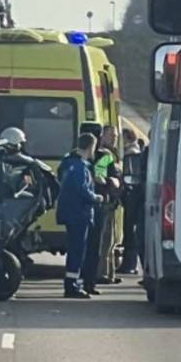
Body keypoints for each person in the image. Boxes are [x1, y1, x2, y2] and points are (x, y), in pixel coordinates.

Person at [56, 134, 101, 298]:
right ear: (91, 147)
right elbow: (82, 190)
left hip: (70, 213)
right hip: (79, 214)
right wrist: (95, 197)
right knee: (77, 250)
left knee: (74, 249)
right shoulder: (80, 167)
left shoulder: (68, 163)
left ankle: (73, 283)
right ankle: (72, 286)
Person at [94, 125, 123, 286]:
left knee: (111, 240)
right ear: (102, 136)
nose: (114, 138)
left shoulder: (110, 153)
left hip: (111, 202)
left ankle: (110, 273)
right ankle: (103, 273)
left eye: (116, 135)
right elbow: (99, 173)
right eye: (111, 135)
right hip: (106, 201)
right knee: (106, 240)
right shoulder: (105, 154)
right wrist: (111, 182)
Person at [118, 127, 147, 274]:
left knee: (131, 231)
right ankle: (130, 263)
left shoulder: (131, 154)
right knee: (131, 232)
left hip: (134, 198)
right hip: (135, 198)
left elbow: (131, 178)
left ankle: (130, 264)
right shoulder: (135, 152)